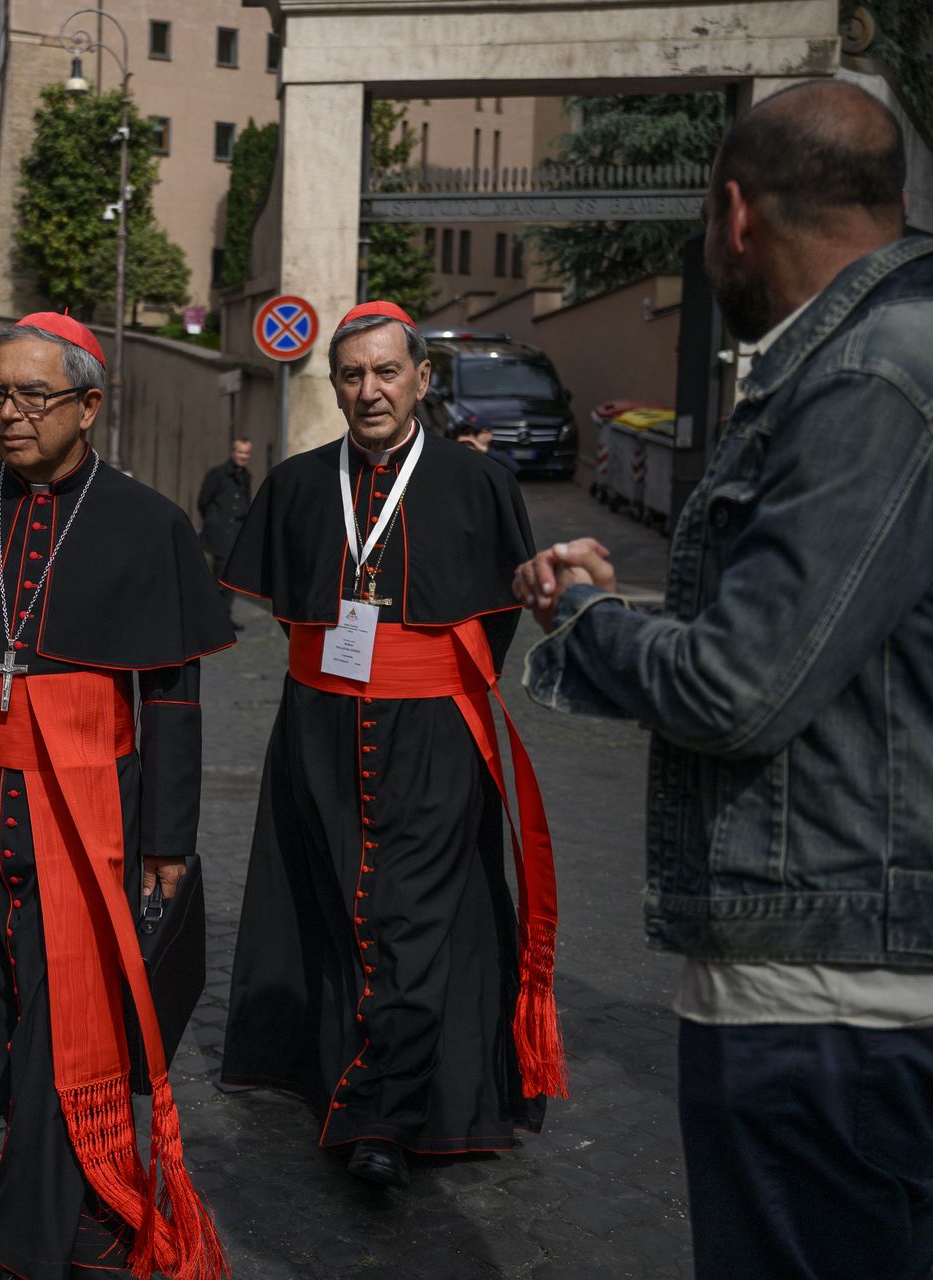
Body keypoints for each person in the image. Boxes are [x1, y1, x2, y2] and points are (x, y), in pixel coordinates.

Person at [514, 82, 933, 1280]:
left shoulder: (867, 378)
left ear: (736, 214)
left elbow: (740, 687)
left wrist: (588, 615)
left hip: (829, 995)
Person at [0, 313, 232, 1280]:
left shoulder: (149, 523)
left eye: (34, 395)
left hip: (89, 796)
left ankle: (47, 1223)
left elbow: (172, 695)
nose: (10, 414)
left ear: (89, 405)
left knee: (69, 1006)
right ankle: (63, 1177)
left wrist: (168, 839)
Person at [218, 300, 562, 1190]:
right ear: (334, 387)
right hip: (318, 731)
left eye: (386, 372)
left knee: (415, 913)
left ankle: (385, 1116)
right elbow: (281, 606)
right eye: (352, 375)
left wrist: (425, 678)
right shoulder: (299, 484)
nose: (369, 390)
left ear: (421, 379)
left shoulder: (477, 482)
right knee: (336, 902)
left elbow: (496, 619)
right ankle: (336, 1071)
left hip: (436, 730)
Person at [195, 437, 253, 630]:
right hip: (218, 536)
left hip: (235, 536)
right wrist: (214, 522)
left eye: (247, 453)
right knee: (217, 580)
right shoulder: (218, 474)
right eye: (240, 452)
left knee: (230, 580)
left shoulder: (246, 476)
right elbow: (204, 501)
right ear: (232, 452)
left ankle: (224, 619)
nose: (243, 456)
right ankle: (213, 621)